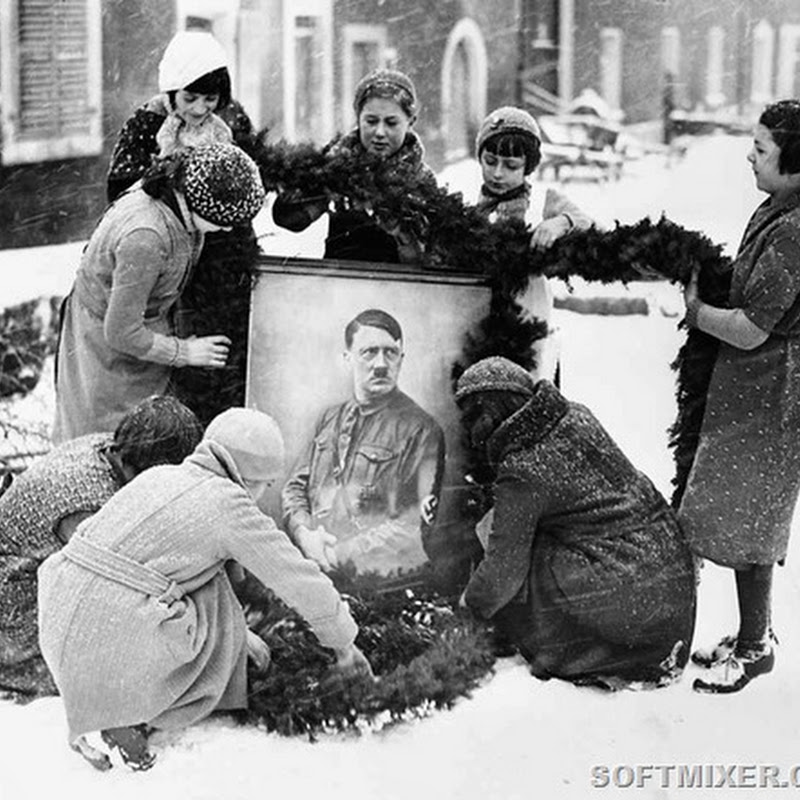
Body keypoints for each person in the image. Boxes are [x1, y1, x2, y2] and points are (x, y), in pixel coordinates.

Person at [38, 408, 371, 772]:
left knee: (191, 574)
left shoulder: (162, 475)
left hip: (60, 619)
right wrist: (344, 643)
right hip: (116, 631)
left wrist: (240, 637)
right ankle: (139, 713)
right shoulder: (228, 504)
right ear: (252, 477)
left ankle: (109, 703)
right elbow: (298, 579)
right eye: (267, 484)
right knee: (213, 587)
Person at [455, 357, 696, 689]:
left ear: (486, 416)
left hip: (629, 601)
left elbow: (503, 571)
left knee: (506, 541)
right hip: (669, 586)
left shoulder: (522, 468)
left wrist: (469, 606)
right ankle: (645, 650)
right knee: (514, 529)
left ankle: (574, 649)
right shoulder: (575, 414)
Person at [679, 100, 800, 694]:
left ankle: (755, 647)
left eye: (761, 150)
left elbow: (753, 326)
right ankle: (757, 635)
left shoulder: (798, 229)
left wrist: (698, 313)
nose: (749, 156)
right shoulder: (778, 208)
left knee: (754, 516)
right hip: (752, 387)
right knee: (746, 514)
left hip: (774, 392)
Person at [52, 142, 266, 444]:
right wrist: (184, 352)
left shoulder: (177, 197)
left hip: (139, 334)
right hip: (106, 353)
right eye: (225, 222)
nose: (230, 230)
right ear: (199, 205)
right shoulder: (146, 238)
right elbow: (121, 332)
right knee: (112, 442)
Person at [107, 30, 263, 425]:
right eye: (190, 98)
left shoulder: (229, 124)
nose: (199, 109)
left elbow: (245, 177)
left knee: (223, 348)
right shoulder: (148, 124)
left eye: (210, 100)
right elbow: (120, 190)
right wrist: (171, 176)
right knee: (176, 350)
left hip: (220, 252)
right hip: (166, 250)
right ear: (171, 91)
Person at [0, 396, 202, 698]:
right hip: (12, 605)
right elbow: (129, 582)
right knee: (112, 661)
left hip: (26, 572)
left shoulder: (111, 446)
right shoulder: (88, 504)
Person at [282, 309, 445, 577]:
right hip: (318, 569)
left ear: (401, 359)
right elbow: (295, 487)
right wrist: (304, 534)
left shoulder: (422, 429)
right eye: (369, 352)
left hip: (381, 581)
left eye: (390, 353)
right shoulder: (329, 418)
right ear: (347, 358)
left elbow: (414, 525)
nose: (381, 364)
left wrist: (335, 554)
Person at [473, 106, 593, 382]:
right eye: (490, 161)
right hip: (480, 331)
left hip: (530, 336)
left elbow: (591, 225)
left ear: (528, 166)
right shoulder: (472, 209)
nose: (498, 174)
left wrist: (561, 222)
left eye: (511, 166)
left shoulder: (542, 200)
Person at [272, 68, 437, 264]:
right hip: (339, 284)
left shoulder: (420, 180)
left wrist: (402, 232)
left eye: (391, 123)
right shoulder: (337, 166)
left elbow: (428, 262)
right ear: (358, 118)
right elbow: (288, 219)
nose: (380, 132)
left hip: (396, 288)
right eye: (371, 121)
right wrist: (313, 191)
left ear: (410, 122)